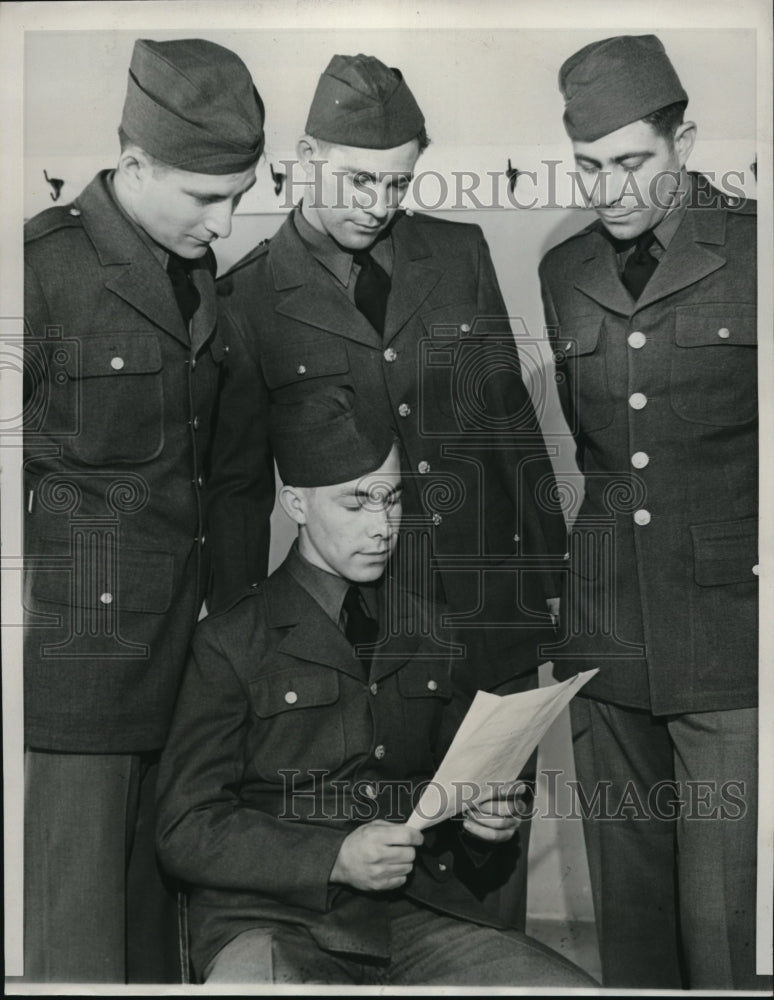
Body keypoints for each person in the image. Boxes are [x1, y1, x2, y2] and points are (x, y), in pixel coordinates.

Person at [208, 52, 567, 930]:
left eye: (398, 183)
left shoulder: (458, 252)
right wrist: (240, 641)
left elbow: (512, 429)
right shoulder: (248, 297)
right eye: (360, 180)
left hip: (489, 615)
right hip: (371, 642)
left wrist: (550, 586)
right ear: (306, 157)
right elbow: (238, 491)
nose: (379, 203)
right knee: (375, 875)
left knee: (491, 871)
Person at [155, 386, 594, 987]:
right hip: (269, 921)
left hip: (411, 916)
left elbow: (449, 791)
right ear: (296, 503)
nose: (382, 527)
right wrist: (332, 858)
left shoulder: (431, 628)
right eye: (355, 504)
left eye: (391, 499)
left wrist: (484, 822)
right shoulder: (229, 642)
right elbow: (185, 827)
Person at [22, 38, 265, 983]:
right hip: (83, 672)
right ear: (134, 166)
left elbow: (219, 480)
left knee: (158, 939)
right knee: (79, 944)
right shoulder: (41, 269)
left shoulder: (192, 268)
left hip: (186, 663)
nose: (226, 220)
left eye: (240, 196)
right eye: (206, 196)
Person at [539, 34, 765, 990]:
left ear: (687, 144)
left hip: (731, 628)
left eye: (632, 162)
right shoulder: (563, 271)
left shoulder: (754, 249)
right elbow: (598, 454)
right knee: (630, 931)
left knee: (725, 928)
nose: (610, 189)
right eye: (589, 166)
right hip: (608, 631)